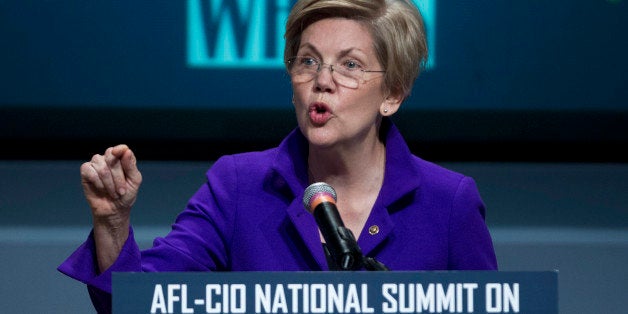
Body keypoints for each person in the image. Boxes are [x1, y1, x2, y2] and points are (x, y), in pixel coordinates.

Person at [59, 0, 498, 312]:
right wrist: (114, 225)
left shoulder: (448, 202)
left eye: (349, 65)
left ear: (393, 94)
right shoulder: (239, 186)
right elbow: (143, 303)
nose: (322, 81)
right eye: (308, 61)